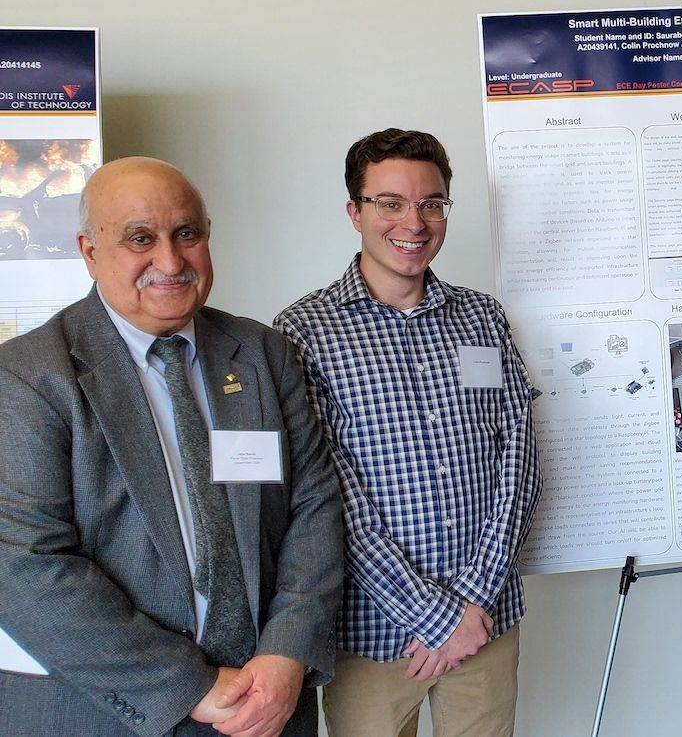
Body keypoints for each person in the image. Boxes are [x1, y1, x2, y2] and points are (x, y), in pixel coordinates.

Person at [0, 157, 343, 737]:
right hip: (104, 712)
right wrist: (188, 686)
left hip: (266, 705)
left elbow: (315, 509)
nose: (170, 259)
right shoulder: (29, 375)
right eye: (141, 238)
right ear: (89, 250)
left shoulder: (262, 353)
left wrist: (287, 653)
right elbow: (26, 565)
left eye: (188, 233)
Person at [274, 128, 542, 737]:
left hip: (487, 619)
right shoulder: (304, 330)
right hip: (374, 630)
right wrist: (436, 615)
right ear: (355, 212)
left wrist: (473, 602)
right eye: (390, 203)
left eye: (431, 203)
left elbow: (519, 458)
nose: (413, 222)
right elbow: (327, 493)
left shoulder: (482, 316)